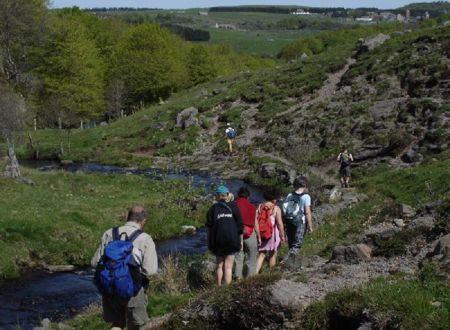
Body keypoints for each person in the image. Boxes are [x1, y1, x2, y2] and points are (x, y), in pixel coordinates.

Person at [91, 206, 158, 330]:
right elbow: (151, 270)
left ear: (128, 217)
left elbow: (94, 263)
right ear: (143, 221)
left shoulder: (109, 233)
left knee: (117, 323)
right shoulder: (145, 238)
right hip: (132, 289)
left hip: (109, 286)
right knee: (135, 325)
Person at [206, 185, 244, 286]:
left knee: (219, 266)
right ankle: (227, 289)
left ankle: (218, 288)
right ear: (227, 195)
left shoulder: (213, 209)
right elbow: (240, 227)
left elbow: (209, 227)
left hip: (218, 241)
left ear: (218, 196)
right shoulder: (234, 207)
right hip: (232, 240)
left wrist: (209, 243)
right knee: (228, 267)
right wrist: (240, 242)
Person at [282, 176, 313, 262]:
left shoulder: (290, 195)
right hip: (300, 222)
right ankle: (286, 261)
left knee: (291, 243)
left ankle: (291, 260)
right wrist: (310, 225)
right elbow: (307, 212)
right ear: (305, 185)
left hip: (289, 221)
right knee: (297, 244)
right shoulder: (306, 196)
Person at [255, 189, 285, 273]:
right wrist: (282, 235)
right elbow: (279, 223)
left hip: (261, 233)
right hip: (272, 234)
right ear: (273, 198)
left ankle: (254, 274)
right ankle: (271, 273)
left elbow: (256, 220)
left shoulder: (260, 206)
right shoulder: (276, 208)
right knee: (273, 254)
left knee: (262, 254)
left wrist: (257, 234)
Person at [234, 186, 259, 279]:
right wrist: (259, 237)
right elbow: (255, 223)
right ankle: (250, 279)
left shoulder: (233, 205)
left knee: (238, 257)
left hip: (236, 234)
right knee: (251, 258)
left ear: (238, 195)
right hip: (249, 233)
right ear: (248, 196)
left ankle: (237, 278)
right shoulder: (252, 207)